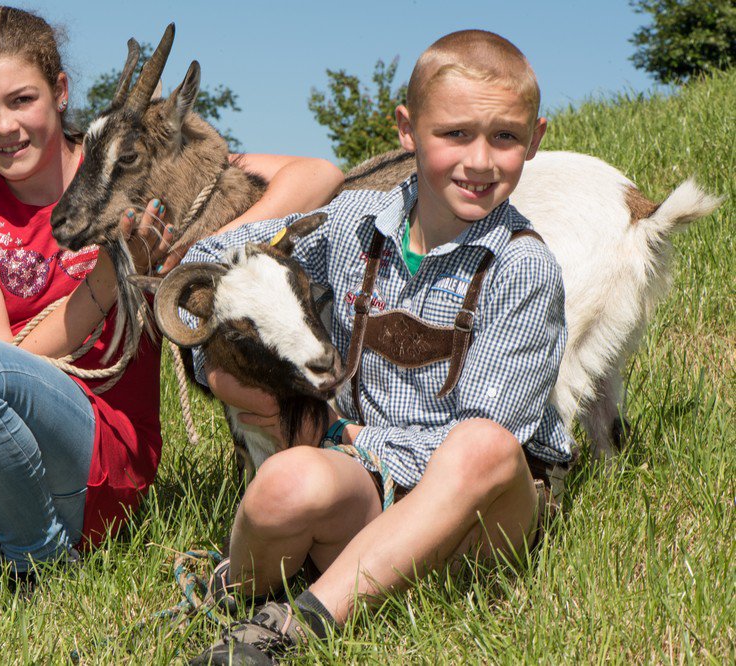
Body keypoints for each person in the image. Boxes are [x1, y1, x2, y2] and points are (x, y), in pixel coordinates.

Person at [0, 5, 344, 621]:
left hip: (95, 456)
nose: (4, 126)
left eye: (21, 100)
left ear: (60, 90)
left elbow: (319, 174)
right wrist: (105, 280)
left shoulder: (131, 162)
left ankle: (37, 555)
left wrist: (196, 248)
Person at [185, 30, 576, 665]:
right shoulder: (348, 222)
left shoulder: (522, 268)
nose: (479, 160)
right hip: (368, 481)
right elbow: (217, 259)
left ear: (533, 141)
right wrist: (216, 354)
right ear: (407, 130)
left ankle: (293, 628)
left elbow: (486, 435)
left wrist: (351, 439)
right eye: (454, 134)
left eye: (504, 137)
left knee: (482, 446)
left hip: (479, 519)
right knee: (286, 483)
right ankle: (230, 591)